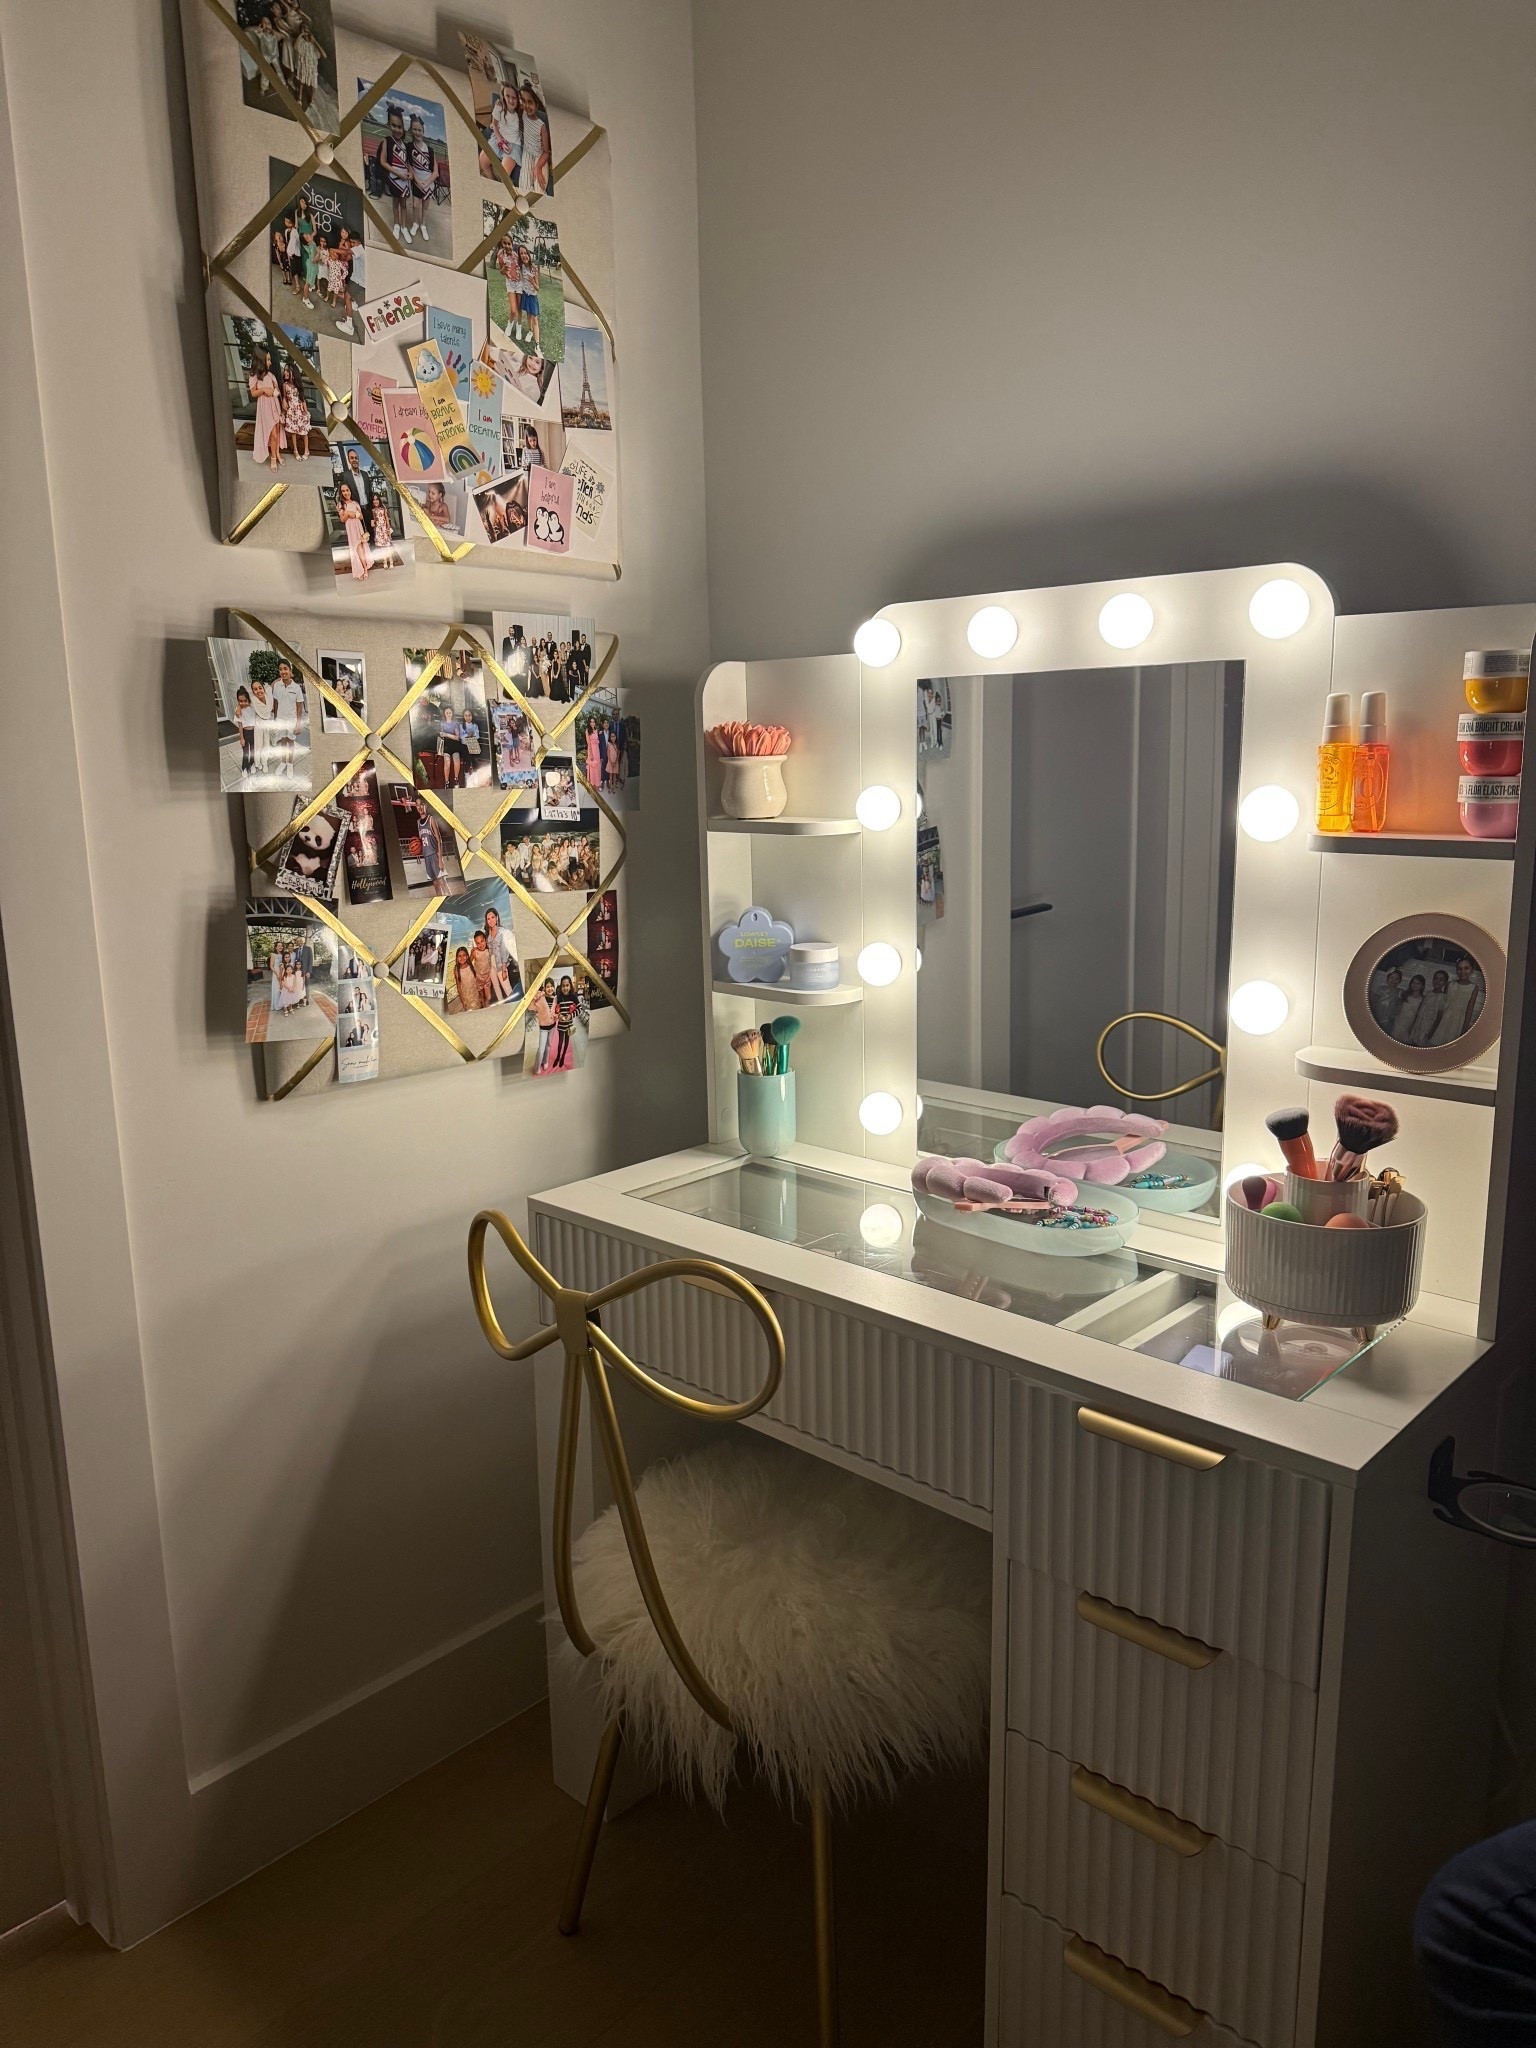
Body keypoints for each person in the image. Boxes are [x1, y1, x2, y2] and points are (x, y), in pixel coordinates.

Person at [1434, 956, 1487, 1045]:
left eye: (1466, 968)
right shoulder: (1450, 984)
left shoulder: (1473, 988)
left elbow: (1469, 1009)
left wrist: (1465, 1028)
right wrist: (1436, 1023)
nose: (1463, 971)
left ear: (1471, 970)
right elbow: (1442, 1005)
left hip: (1458, 1022)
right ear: (1456, 970)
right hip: (1444, 1020)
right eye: (1459, 969)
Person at [380, 103, 413, 242]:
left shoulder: (405, 145)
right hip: (395, 179)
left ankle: (404, 227)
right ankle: (397, 226)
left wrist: (410, 173)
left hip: (404, 181)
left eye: (399, 127)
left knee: (404, 205)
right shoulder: (386, 141)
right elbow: (383, 162)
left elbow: (408, 164)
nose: (397, 129)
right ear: (389, 125)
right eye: (394, 126)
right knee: (395, 204)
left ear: (403, 128)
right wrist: (398, 174)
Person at [249, 349, 284, 467]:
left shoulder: (271, 375)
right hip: (265, 408)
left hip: (275, 405)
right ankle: (273, 458)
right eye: (268, 359)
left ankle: (277, 453)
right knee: (272, 433)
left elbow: (277, 391)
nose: (270, 362)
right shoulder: (254, 376)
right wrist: (264, 390)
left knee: (278, 431)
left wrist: (275, 390)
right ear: (261, 360)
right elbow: (253, 393)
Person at [408, 111, 437, 246]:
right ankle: (415, 223)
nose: (417, 132)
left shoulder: (430, 150)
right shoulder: (409, 147)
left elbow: (435, 171)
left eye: (419, 130)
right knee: (415, 205)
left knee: (425, 207)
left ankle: (423, 225)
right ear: (411, 130)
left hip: (428, 182)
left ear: (423, 131)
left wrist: (427, 182)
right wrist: (417, 181)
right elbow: (410, 166)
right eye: (415, 129)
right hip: (417, 181)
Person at [518, 81, 552, 196]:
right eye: (523, 102)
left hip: (540, 155)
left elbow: (546, 152)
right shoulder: (522, 114)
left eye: (530, 102)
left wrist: (538, 167)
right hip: (527, 152)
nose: (527, 106)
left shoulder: (541, 126)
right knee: (524, 187)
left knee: (539, 188)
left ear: (536, 105)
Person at [334, 482, 368, 580]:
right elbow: (342, 520)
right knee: (355, 549)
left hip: (358, 527)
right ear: (341, 493)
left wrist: (355, 513)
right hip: (351, 528)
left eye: (347, 490)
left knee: (361, 548)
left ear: (350, 491)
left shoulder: (355, 503)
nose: (346, 493)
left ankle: (364, 569)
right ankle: (360, 569)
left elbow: (361, 517)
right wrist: (348, 513)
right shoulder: (341, 504)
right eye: (343, 491)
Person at [1411, 969, 1451, 1047]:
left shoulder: (1443, 997)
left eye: (1441, 980)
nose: (1437, 981)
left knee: (1422, 1044)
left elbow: (1439, 1016)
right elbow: (1420, 1009)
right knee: (1414, 1042)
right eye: (1436, 978)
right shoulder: (1428, 993)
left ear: (1445, 983)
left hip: (1428, 1025)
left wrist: (1432, 1030)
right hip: (1419, 1022)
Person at [484, 906, 515, 1001]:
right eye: (488, 919)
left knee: (507, 988)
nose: (490, 920)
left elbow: (504, 952)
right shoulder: (488, 933)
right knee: (496, 987)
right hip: (491, 965)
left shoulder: (502, 932)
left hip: (501, 964)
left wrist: (504, 969)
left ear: (497, 917)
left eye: (492, 917)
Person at [280, 365, 311, 460]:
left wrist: (306, 412)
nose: (285, 372)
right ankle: (295, 450)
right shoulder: (285, 385)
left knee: (304, 431)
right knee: (293, 432)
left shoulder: (298, 385)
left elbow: (302, 399)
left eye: (287, 371)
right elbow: (285, 397)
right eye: (285, 370)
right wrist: (284, 403)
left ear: (293, 373)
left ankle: (306, 450)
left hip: (300, 411)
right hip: (291, 411)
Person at [529, 975, 557, 1070]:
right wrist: (537, 996)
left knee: (548, 1046)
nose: (550, 988)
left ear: (554, 987)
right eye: (548, 986)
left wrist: (557, 1016)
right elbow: (530, 1006)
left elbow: (557, 1011)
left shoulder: (556, 999)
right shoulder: (541, 998)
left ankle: (545, 1061)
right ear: (544, 988)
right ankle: (537, 1067)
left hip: (553, 1026)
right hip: (543, 1028)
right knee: (541, 1049)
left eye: (551, 986)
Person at [469, 929, 496, 1008]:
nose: (480, 944)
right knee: (481, 997)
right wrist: (471, 953)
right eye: (478, 943)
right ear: (475, 944)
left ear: (485, 940)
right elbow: (469, 962)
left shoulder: (489, 950)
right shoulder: (475, 952)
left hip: (487, 978)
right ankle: (484, 1007)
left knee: (489, 997)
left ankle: (487, 1004)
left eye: (482, 941)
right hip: (478, 978)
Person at [452, 944, 481, 1012]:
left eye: (464, 955)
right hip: (467, 998)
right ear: (456, 958)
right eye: (459, 956)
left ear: (467, 956)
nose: (462, 958)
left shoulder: (470, 965)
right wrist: (463, 1001)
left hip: (475, 995)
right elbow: (459, 987)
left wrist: (480, 994)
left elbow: (476, 981)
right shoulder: (457, 970)